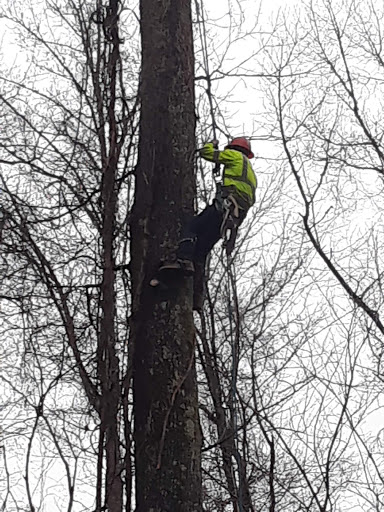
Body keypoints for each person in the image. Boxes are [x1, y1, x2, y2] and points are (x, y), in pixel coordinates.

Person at [163, 136, 257, 274]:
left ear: (234, 148)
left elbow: (206, 153)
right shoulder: (251, 172)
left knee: (192, 226)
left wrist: (211, 144)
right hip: (235, 215)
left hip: (226, 205)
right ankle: (195, 270)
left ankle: (183, 259)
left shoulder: (235, 156)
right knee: (203, 245)